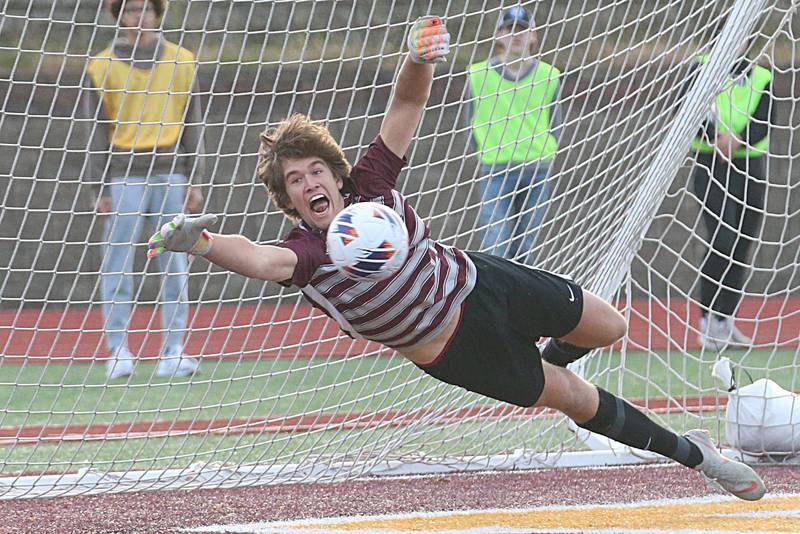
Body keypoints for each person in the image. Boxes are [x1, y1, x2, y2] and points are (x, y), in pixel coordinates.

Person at [148, 16, 765, 500]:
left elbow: (406, 108)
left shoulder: (369, 184)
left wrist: (419, 57)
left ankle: (550, 365)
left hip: (480, 281)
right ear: (287, 200)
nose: (311, 182)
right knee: (575, 400)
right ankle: (700, 458)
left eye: (316, 170)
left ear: (336, 176)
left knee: (611, 325)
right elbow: (258, 261)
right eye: (295, 180)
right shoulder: (305, 251)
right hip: (454, 349)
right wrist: (199, 243)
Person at [82, 0, 206, 379]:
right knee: (118, 262)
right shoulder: (100, 65)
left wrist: (196, 179)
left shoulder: (183, 61)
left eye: (146, 8)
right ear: (118, 15)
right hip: (124, 174)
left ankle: (173, 349)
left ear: (158, 12)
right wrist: (97, 185)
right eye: (132, 9)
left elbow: (193, 125)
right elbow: (95, 132)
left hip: (171, 173)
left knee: (175, 262)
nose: (140, 16)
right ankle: (118, 349)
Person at [687, 50, 772, 350]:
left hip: (749, 167)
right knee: (721, 240)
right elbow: (689, 111)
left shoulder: (761, 76)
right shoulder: (702, 69)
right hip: (711, 165)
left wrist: (737, 140)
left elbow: (765, 120)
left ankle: (726, 321)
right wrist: (715, 138)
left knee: (742, 244)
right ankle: (707, 320)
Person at [466, 5, 561, 262]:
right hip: (495, 169)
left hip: (536, 168)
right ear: (498, 34)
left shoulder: (549, 76)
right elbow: (469, 121)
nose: (515, 35)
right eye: (509, 29)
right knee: (494, 240)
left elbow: (556, 122)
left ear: (533, 35)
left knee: (526, 244)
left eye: (522, 29)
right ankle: (494, 299)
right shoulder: (477, 75)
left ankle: (522, 301)